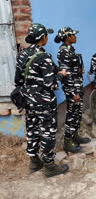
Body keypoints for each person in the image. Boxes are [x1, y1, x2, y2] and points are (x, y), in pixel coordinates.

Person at [14, 23, 69, 177]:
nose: (47, 38)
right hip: (44, 102)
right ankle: (49, 166)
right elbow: (51, 83)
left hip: (28, 101)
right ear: (43, 37)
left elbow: (17, 80)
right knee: (47, 131)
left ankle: (34, 161)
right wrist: (61, 75)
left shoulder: (22, 55)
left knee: (31, 129)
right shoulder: (44, 57)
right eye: (46, 35)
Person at [55, 27, 90, 153]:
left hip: (77, 86)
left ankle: (75, 135)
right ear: (67, 37)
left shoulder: (70, 50)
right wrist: (73, 92)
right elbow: (66, 75)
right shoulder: (63, 52)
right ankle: (68, 142)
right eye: (73, 35)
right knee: (72, 114)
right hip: (72, 89)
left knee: (77, 113)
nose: (75, 37)